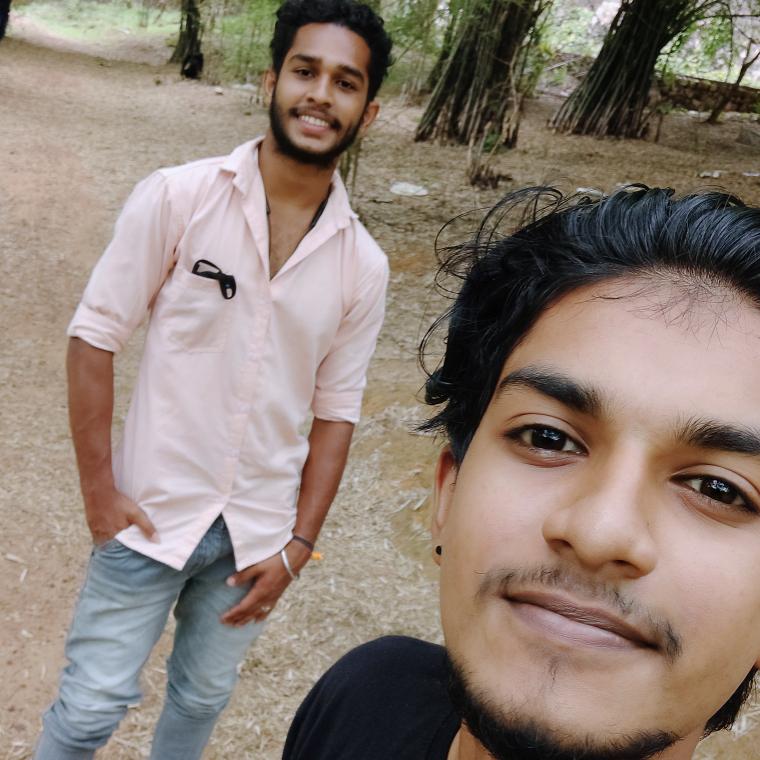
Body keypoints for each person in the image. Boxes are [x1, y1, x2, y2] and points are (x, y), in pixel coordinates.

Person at [283, 185, 760, 760]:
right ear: (448, 492)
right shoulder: (361, 701)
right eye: (547, 438)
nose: (598, 532)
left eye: (719, 489)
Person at [34, 2, 392, 758]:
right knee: (89, 710)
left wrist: (298, 546)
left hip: (255, 537)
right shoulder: (179, 196)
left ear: (369, 111)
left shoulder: (361, 264)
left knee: (201, 699)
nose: (320, 95)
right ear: (271, 81)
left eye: (345, 82)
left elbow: (337, 413)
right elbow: (95, 335)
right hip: (148, 514)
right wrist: (100, 493)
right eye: (305, 71)